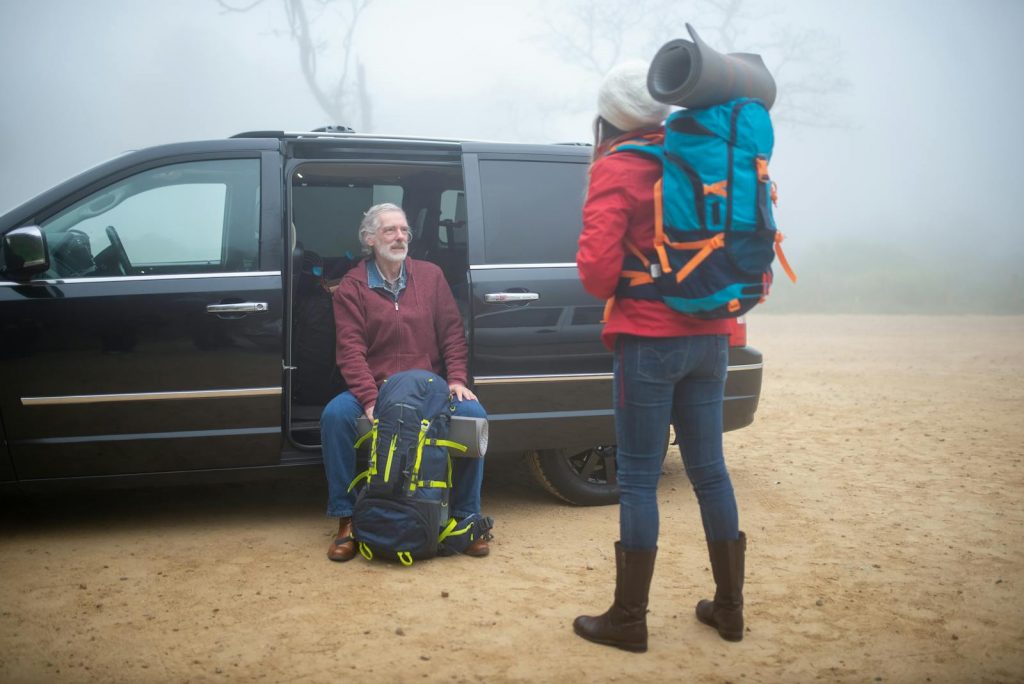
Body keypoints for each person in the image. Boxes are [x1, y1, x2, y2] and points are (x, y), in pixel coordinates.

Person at [573, 60, 747, 652]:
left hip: (649, 339)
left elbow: (596, 277)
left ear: (611, 116)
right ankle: (729, 608)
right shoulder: (697, 156)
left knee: (640, 480)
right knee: (710, 471)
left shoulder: (619, 167)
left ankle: (629, 619)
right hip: (712, 335)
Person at [320, 203, 490, 562]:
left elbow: (453, 335)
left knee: (474, 414)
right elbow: (350, 352)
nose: (399, 237)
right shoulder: (352, 286)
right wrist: (368, 399)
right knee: (335, 416)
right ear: (369, 239)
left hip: (429, 389)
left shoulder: (431, 276)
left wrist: (456, 379)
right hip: (379, 389)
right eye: (389, 231)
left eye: (404, 230)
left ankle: (466, 519)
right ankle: (347, 519)